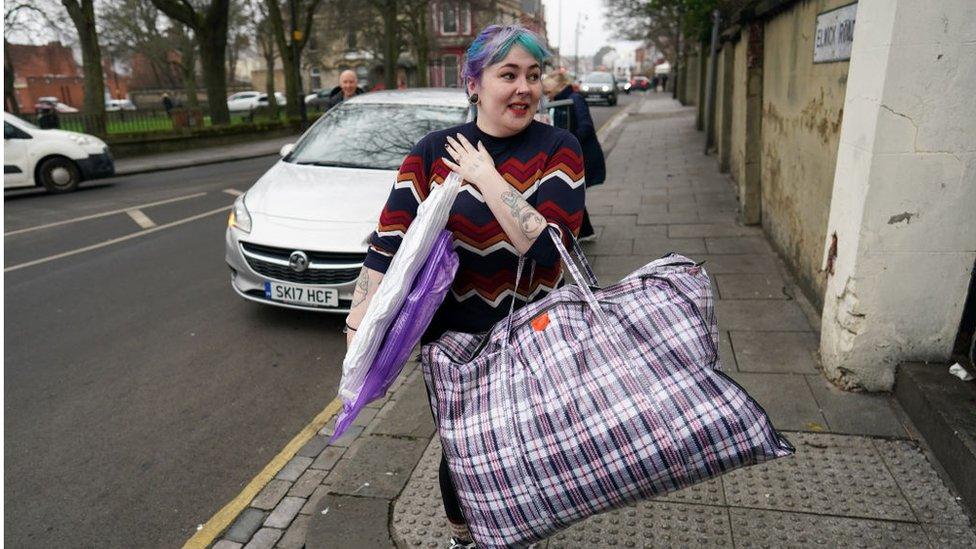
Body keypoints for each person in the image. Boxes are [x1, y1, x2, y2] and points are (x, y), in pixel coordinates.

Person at [344, 25, 585, 549]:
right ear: (473, 83)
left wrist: (488, 177)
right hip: (454, 343)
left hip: (535, 337)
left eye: (533, 75)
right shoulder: (431, 153)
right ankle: (464, 538)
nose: (524, 87)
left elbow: (550, 248)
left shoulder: (558, 149)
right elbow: (387, 243)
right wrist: (356, 333)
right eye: (508, 75)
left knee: (527, 451)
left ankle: (520, 532)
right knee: (463, 454)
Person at [543, 70, 605, 242]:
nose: (546, 93)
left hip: (582, 156)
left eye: (548, 89)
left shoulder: (574, 99)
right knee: (571, 193)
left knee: (571, 194)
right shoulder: (558, 101)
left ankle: (580, 233)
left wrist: (566, 142)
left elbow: (586, 126)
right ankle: (585, 232)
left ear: (559, 85)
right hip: (571, 156)